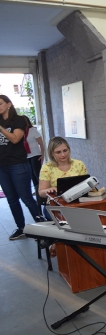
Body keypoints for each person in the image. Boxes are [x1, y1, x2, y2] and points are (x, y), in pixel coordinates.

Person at [0, 95, 44, 240]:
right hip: (2, 167)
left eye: (0, 104)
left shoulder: (18, 120)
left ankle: (42, 228)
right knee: (12, 199)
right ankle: (21, 228)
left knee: (26, 198)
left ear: (9, 104)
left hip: (18, 165)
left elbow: (15, 138)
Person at [39, 136, 88, 218]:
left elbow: (86, 186)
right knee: (69, 217)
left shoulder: (79, 164)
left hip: (77, 202)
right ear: (52, 153)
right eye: (58, 152)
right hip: (55, 205)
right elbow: (41, 193)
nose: (63, 155)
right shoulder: (47, 168)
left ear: (69, 149)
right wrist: (49, 190)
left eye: (65, 150)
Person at [21, 115, 45, 206]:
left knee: (37, 173)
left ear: (27, 121)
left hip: (35, 155)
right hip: (26, 156)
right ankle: (37, 190)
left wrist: (42, 155)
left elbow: (41, 144)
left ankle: (42, 190)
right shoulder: (20, 132)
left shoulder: (33, 130)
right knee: (31, 175)